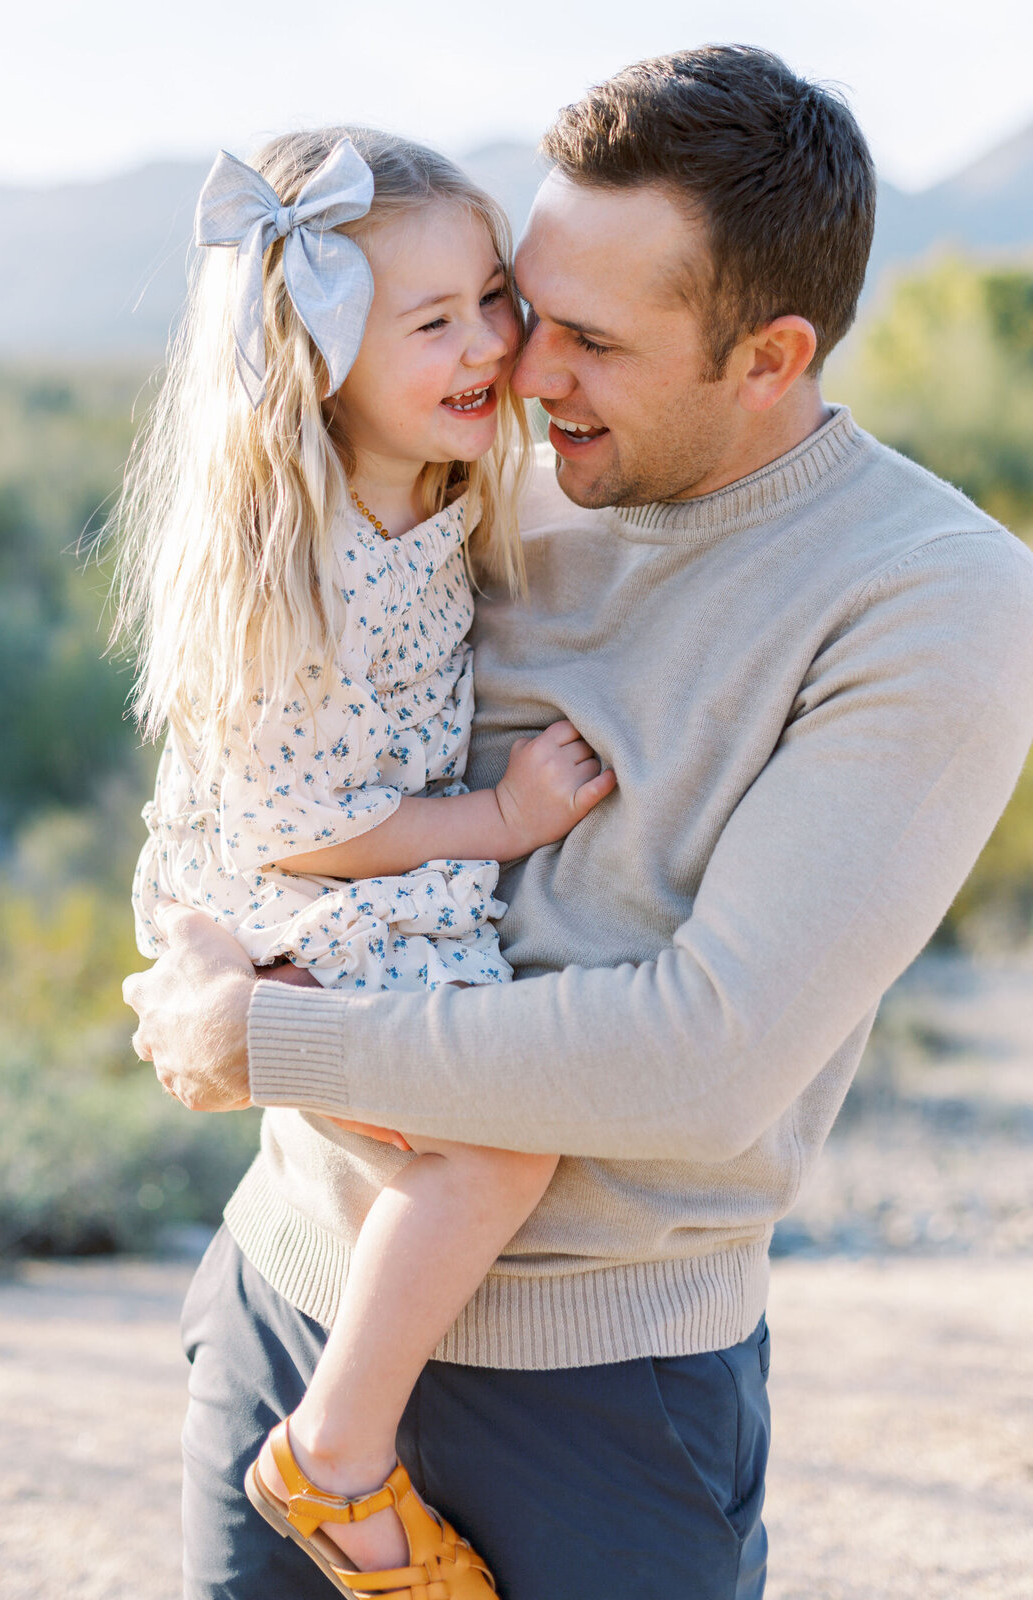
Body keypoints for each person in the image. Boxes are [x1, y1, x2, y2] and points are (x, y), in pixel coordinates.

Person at [123, 46, 1033, 1600]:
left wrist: (264, 1041)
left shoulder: (929, 601)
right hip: (289, 1293)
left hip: (597, 1405)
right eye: (524, 309)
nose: (528, 373)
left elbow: (703, 1057)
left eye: (591, 341)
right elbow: (253, 763)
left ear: (771, 352)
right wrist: (189, 931)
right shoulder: (477, 478)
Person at [112, 127, 615, 1598]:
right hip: (307, 883)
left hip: (351, 867)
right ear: (321, 354)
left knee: (482, 1127)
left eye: (493, 299)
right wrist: (504, 822)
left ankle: (336, 1438)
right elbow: (298, 827)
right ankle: (333, 1458)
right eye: (435, 321)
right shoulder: (309, 552)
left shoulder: (432, 485)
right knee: (498, 1144)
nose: (489, 345)